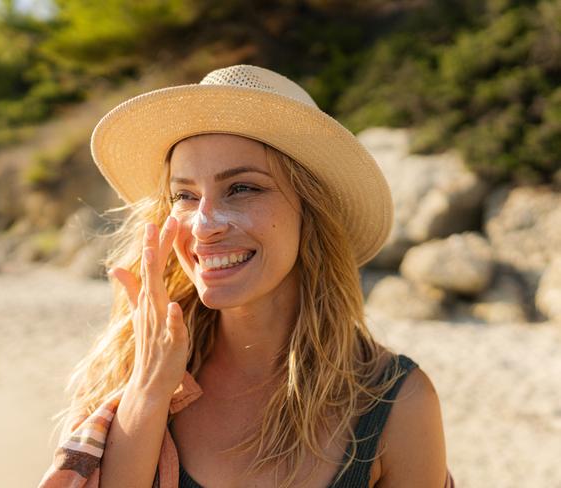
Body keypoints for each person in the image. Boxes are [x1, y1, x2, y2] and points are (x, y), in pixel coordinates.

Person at [39, 64, 455, 488]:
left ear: (310, 211)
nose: (203, 225)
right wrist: (148, 389)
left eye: (242, 188)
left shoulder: (396, 401)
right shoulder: (123, 370)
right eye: (185, 195)